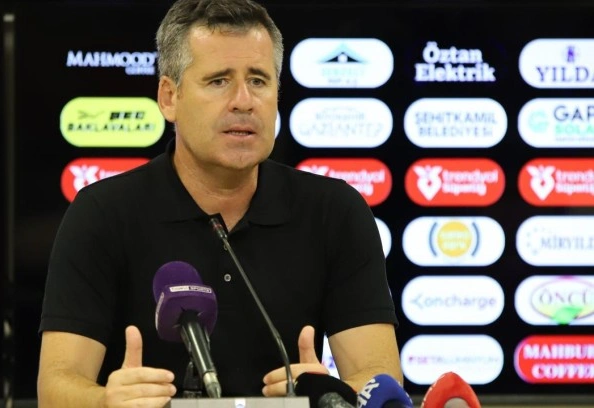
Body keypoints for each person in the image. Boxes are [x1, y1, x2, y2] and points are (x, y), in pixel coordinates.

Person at [37, 0, 403, 407]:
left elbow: (381, 380)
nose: (244, 101)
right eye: (218, 81)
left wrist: (330, 395)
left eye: (259, 81)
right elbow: (56, 388)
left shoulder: (335, 211)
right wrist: (106, 401)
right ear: (169, 97)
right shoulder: (102, 213)